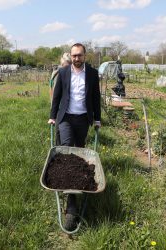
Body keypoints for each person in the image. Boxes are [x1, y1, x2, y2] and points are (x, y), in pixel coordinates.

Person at [47, 43, 101, 230]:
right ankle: (71, 204)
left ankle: (73, 184)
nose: (76, 58)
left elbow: (95, 97)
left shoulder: (93, 74)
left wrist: (98, 119)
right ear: (70, 56)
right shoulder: (63, 73)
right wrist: (53, 117)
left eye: (79, 55)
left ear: (85, 56)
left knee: (79, 153)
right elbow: (57, 97)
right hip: (66, 118)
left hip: (83, 119)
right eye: (74, 55)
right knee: (68, 150)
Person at [49, 52, 72, 145]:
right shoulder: (56, 74)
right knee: (58, 131)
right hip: (58, 106)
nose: (65, 68)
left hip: (68, 107)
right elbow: (52, 90)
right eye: (63, 65)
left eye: (68, 65)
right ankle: (58, 147)